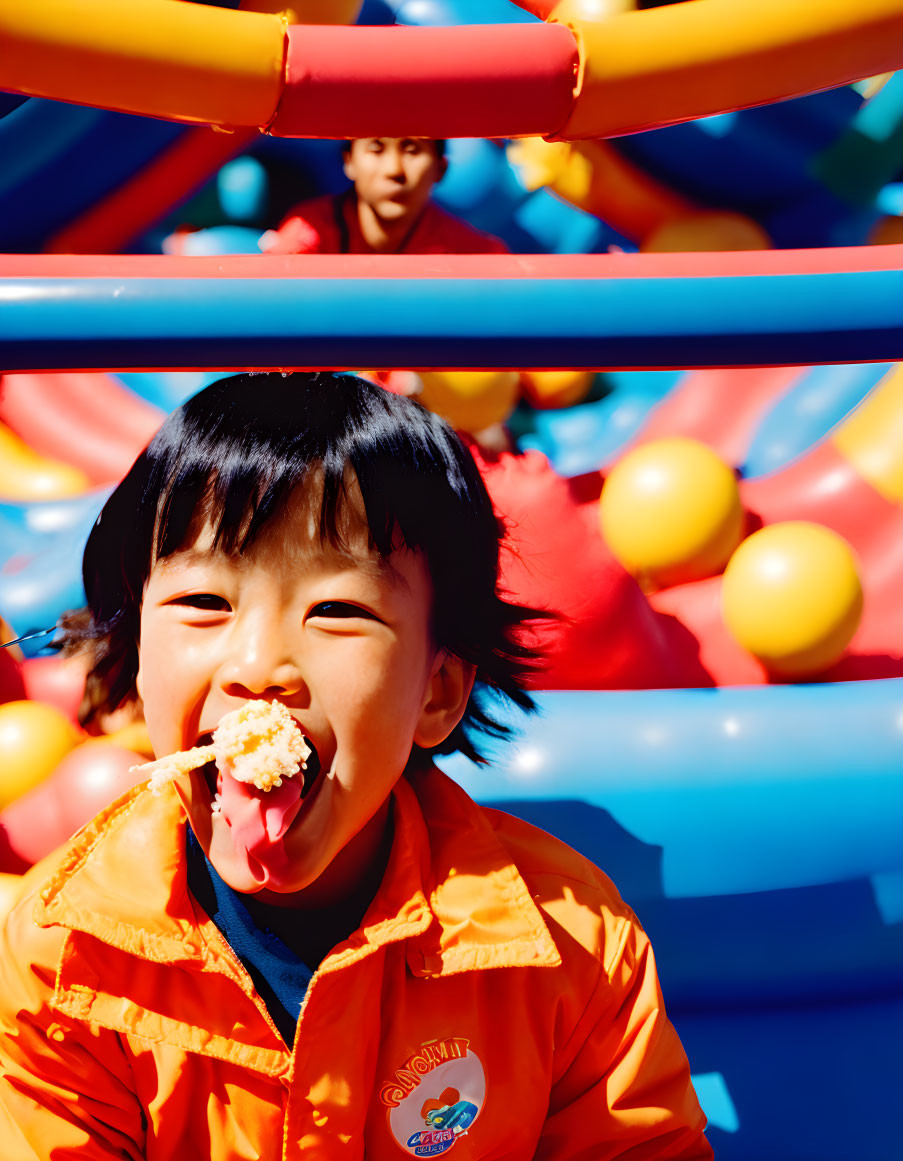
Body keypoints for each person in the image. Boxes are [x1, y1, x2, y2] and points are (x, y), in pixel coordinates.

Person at [0, 373, 712, 1159]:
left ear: (437, 691)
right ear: (137, 663)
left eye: (337, 610)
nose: (258, 665)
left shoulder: (568, 946)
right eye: (204, 601)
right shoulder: (62, 954)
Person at [260, 137, 508, 256]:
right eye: (376, 149)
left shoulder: (472, 254)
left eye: (412, 150)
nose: (394, 170)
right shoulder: (310, 230)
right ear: (349, 162)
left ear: (440, 169)